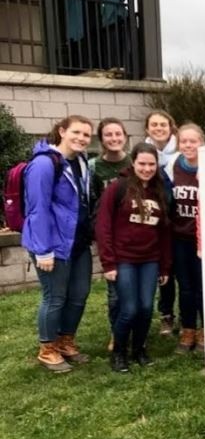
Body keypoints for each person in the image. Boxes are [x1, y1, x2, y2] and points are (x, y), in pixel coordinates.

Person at [22, 115, 94, 372]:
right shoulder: (44, 164)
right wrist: (43, 250)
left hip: (77, 241)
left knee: (79, 295)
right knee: (55, 297)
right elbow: (38, 209)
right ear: (62, 131)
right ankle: (47, 348)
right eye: (76, 132)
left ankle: (66, 341)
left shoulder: (81, 161)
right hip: (52, 243)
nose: (82, 138)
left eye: (86, 135)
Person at [95, 143, 172, 372]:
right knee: (129, 309)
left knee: (146, 308)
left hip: (150, 260)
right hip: (124, 259)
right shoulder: (118, 188)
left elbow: (165, 232)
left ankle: (139, 349)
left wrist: (165, 267)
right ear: (133, 163)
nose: (147, 168)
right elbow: (103, 226)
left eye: (151, 164)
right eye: (142, 164)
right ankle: (118, 352)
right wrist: (108, 262)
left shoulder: (159, 190)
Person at [89, 118, 132, 350]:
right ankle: (117, 333)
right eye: (109, 135)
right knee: (114, 290)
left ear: (124, 136)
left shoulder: (135, 163)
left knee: (133, 287)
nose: (114, 139)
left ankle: (136, 329)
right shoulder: (94, 167)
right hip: (109, 236)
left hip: (133, 235)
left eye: (118, 134)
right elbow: (93, 202)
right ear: (102, 138)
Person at [166, 123, 205, 354]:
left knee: (203, 286)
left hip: (202, 239)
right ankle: (188, 329)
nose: (188, 145)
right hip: (179, 237)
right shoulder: (173, 165)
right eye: (184, 141)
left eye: (193, 141)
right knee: (186, 287)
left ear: (202, 142)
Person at [145, 110, 179, 336]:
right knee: (161, 271)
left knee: (180, 272)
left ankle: (190, 316)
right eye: (154, 125)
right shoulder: (143, 154)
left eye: (163, 125)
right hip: (154, 222)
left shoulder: (181, 152)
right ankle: (165, 315)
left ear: (170, 127)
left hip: (180, 220)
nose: (159, 128)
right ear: (147, 129)